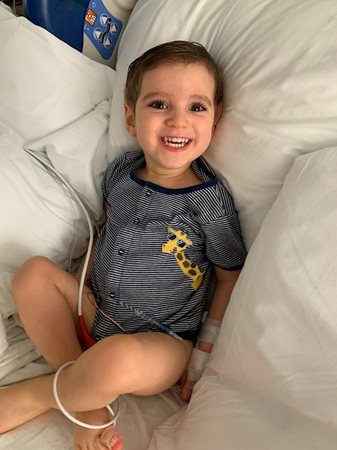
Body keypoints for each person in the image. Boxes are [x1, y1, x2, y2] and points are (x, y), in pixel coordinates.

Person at [0, 40, 246, 450]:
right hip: (96, 312)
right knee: (32, 274)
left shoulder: (209, 201)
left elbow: (229, 276)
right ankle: (86, 400)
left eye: (196, 107)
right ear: (131, 118)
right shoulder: (120, 173)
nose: (177, 121)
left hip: (161, 341)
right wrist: (79, 287)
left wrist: (203, 352)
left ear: (215, 119)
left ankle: (43, 394)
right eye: (160, 105)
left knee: (116, 359)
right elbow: (107, 230)